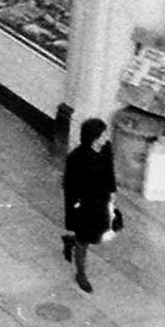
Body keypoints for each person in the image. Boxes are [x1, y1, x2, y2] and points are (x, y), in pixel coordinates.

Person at [60, 117, 119, 293]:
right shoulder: (76, 158)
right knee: (84, 238)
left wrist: (112, 191)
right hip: (85, 204)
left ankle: (73, 241)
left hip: (101, 200)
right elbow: (69, 185)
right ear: (93, 138)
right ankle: (81, 273)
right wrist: (74, 206)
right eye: (102, 135)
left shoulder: (106, 149)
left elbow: (109, 170)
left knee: (98, 233)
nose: (106, 138)